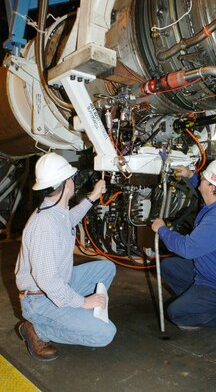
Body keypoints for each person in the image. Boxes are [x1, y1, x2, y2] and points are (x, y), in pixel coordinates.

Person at [15, 152, 116, 361]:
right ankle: (37, 329)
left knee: (106, 268)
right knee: (104, 334)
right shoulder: (44, 226)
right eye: (71, 177)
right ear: (66, 184)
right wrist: (82, 303)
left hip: (60, 282)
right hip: (39, 299)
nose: (73, 181)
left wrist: (91, 198)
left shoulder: (55, 210)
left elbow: (68, 220)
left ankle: (72, 315)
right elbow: (47, 281)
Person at [151, 159, 216, 340]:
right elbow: (205, 187)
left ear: (213, 187)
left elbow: (186, 249)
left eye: (204, 179)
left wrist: (162, 229)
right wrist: (190, 175)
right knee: (169, 266)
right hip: (208, 272)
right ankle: (196, 308)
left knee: (176, 313)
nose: (201, 180)